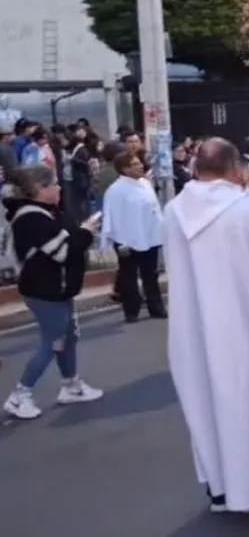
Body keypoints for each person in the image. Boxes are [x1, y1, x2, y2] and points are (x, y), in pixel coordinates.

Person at [163, 138, 249, 513]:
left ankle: (221, 488)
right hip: (246, 323)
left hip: (194, 327)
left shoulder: (175, 210)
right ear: (234, 167)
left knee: (206, 400)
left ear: (196, 167)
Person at [2, 165, 103, 420]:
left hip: (57, 288)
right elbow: (63, 252)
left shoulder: (45, 212)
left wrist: (80, 231)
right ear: (38, 189)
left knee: (68, 337)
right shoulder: (31, 218)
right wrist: (86, 232)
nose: (59, 188)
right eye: (54, 184)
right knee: (53, 342)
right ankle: (20, 395)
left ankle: (71, 385)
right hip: (44, 290)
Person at [101, 151, 166, 323]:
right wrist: (118, 241)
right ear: (125, 169)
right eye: (135, 164)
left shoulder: (145, 184)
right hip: (127, 240)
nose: (140, 166)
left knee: (151, 274)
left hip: (149, 236)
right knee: (128, 276)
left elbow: (154, 209)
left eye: (139, 163)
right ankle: (132, 310)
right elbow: (112, 216)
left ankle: (156, 306)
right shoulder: (115, 190)